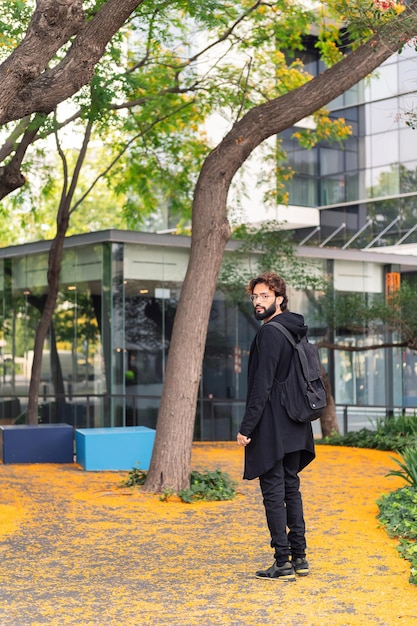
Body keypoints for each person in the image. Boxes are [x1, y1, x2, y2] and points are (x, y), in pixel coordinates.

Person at [237, 271, 315, 581]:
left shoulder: (270, 333)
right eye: (255, 297)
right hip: (296, 421)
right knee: (291, 488)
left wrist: (246, 428)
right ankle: (300, 557)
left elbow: (262, 385)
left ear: (279, 299)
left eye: (264, 296)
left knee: (274, 491)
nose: (258, 302)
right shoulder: (295, 330)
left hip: (273, 424)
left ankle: (282, 561)